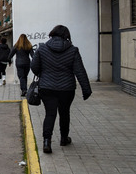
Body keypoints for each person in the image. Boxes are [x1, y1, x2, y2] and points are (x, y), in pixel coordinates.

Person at [30, 24, 92, 154]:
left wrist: (44, 73)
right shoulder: (73, 50)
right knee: (64, 113)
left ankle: (47, 142)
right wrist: (86, 89)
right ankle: (64, 138)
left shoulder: (42, 49)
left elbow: (34, 67)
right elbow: (79, 71)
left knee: (50, 113)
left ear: (52, 34)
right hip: (67, 88)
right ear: (66, 36)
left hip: (46, 87)